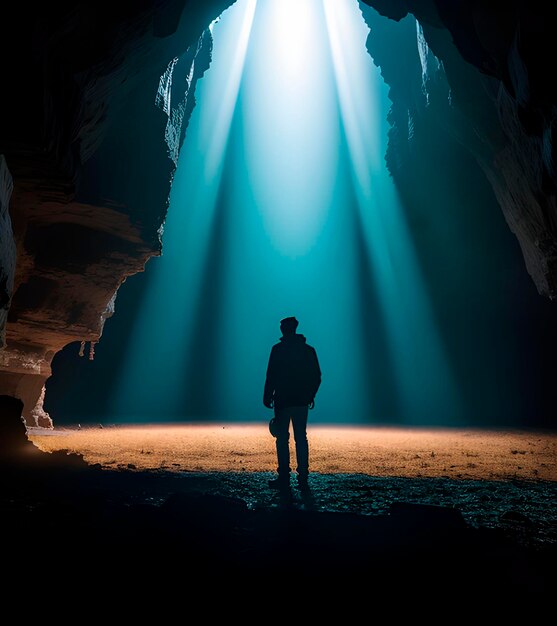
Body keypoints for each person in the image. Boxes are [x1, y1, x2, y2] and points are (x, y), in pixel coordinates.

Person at [263, 316, 321, 490]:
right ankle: (303, 477)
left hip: (282, 400)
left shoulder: (277, 350)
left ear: (283, 330)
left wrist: (267, 396)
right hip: (301, 401)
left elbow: (270, 375)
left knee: (282, 439)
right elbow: (316, 376)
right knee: (300, 438)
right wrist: (310, 395)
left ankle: (284, 477)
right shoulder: (308, 350)